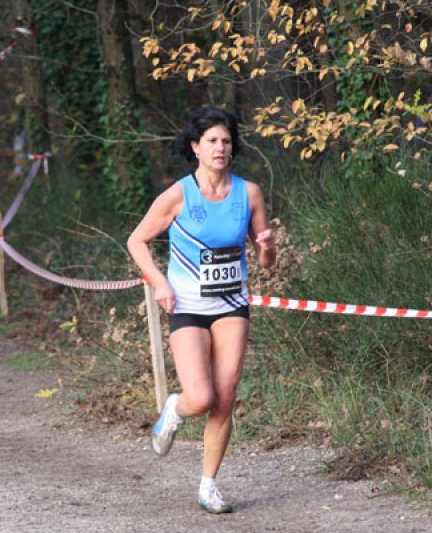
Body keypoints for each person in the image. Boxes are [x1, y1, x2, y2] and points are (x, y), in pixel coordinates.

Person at [127, 106, 276, 513]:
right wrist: (159, 282)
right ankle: (174, 411)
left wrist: (266, 247)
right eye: (211, 141)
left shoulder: (249, 194)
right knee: (200, 397)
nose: (220, 148)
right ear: (195, 147)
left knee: (224, 398)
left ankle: (208, 485)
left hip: (231, 305)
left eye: (226, 141)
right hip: (188, 306)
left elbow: (266, 262)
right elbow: (136, 241)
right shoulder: (178, 195)